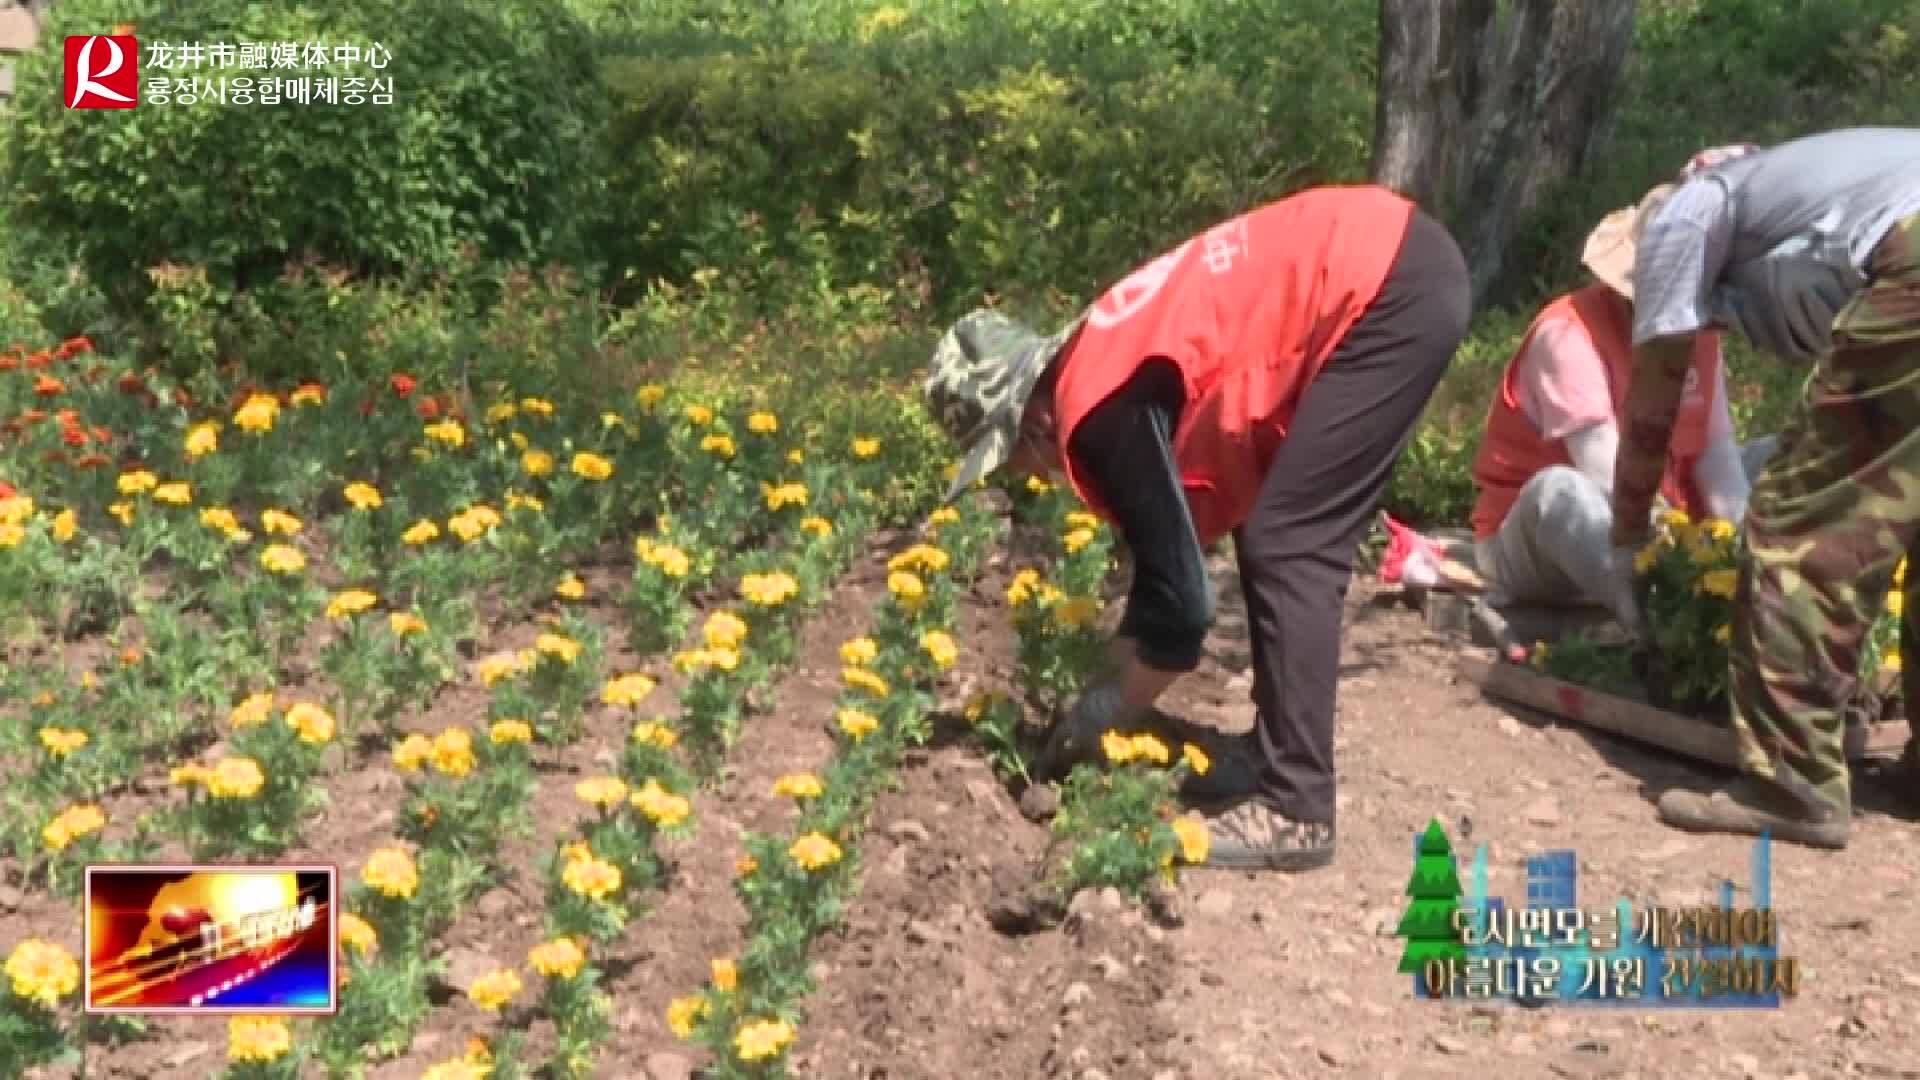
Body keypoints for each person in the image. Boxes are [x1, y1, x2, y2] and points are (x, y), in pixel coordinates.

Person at [924, 184, 1471, 871]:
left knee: (1291, 539)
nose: (1032, 478)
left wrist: (1106, 712)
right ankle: (1272, 754)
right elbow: (1164, 571)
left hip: (1387, 285)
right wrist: (1105, 685)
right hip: (1393, 261)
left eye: (1015, 462)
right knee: (1274, 523)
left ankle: (1295, 808)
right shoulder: (1104, 359)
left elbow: (1181, 613)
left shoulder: (1094, 407)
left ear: (1028, 418)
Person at [1608, 126, 1920, 850]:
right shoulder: (1800, 186)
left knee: (1796, 529)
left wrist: (1626, 537)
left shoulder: (1684, 214)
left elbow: (1654, 398)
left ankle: (1794, 783)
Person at [1471, 152, 1777, 640]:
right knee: (1560, 491)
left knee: (1787, 454)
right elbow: (1609, 476)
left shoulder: (1701, 338)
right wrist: (1684, 561)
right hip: (1547, 541)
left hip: (1663, 519)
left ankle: (1769, 600)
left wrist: (1736, 550)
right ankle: (1661, 626)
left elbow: (1716, 454)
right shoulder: (1567, 335)